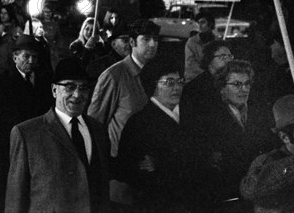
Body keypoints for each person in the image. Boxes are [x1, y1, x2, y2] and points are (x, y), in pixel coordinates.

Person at [5, 58, 110, 213]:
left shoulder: (98, 130)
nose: (77, 94)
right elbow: (15, 201)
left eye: (84, 88)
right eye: (69, 87)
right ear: (54, 90)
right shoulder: (26, 134)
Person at [87, 19, 160, 207]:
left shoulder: (158, 75)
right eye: (146, 39)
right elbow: (95, 124)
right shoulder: (114, 76)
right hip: (120, 173)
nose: (152, 44)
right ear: (133, 42)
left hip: (151, 170)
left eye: (155, 39)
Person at [117, 60, 202, 212]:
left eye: (180, 81)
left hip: (193, 200)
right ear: (153, 85)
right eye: (169, 82)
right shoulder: (139, 123)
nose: (177, 87)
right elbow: (127, 169)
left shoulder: (192, 116)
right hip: (158, 204)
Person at [202, 60, 276, 205]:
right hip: (230, 191)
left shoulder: (260, 111)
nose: (244, 89)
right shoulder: (210, 117)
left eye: (247, 83)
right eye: (237, 84)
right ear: (222, 88)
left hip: (260, 186)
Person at [0, 35, 53, 180]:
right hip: (11, 145)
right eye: (26, 56)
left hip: (38, 145)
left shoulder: (44, 81)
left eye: (34, 57)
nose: (31, 61)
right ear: (15, 57)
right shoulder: (0, 83)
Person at [181, 40, 234, 130]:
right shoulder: (194, 88)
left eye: (230, 56)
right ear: (209, 59)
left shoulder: (229, 83)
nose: (228, 60)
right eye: (223, 56)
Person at [0, 4, 23, 76]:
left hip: (13, 63)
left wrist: (17, 37)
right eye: (1, 13)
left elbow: (21, 45)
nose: (2, 15)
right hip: (0, 63)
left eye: (5, 13)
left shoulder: (16, 26)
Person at [184, 11, 216, 82]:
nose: (199, 26)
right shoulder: (192, 42)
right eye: (198, 23)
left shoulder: (217, 41)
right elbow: (190, 65)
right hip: (195, 80)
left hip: (214, 79)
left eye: (203, 22)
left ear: (210, 24)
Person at [39, 2, 60, 69]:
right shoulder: (39, 23)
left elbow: (58, 37)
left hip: (52, 51)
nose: (48, 14)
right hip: (42, 49)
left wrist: (55, 46)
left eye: (49, 12)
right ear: (43, 12)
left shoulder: (55, 24)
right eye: (46, 12)